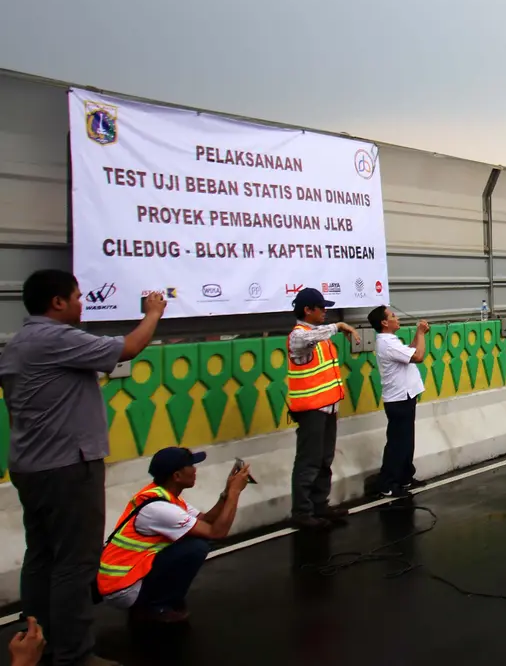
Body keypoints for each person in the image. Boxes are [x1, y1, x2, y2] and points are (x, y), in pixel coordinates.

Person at [0, 270, 165, 666]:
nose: (81, 302)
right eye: (76, 296)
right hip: (68, 467)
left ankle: (40, 641)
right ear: (56, 302)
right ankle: (75, 655)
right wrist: (153, 313)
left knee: (42, 558)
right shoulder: (55, 338)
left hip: (31, 466)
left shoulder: (18, 342)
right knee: (76, 563)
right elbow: (128, 348)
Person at [97, 447, 251, 623]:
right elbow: (217, 532)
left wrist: (226, 493)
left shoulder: (164, 496)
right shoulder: (160, 508)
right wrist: (235, 493)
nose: (195, 470)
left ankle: (155, 600)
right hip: (121, 587)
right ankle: (155, 607)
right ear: (177, 476)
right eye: (191, 466)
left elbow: (206, 519)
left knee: (194, 538)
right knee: (196, 547)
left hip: (127, 577)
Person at [287, 288, 362, 530]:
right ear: (307, 310)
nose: (325, 312)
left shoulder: (318, 335)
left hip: (328, 408)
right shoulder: (298, 336)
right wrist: (340, 326)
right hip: (311, 410)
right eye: (321, 308)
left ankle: (319, 505)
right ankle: (302, 511)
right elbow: (307, 339)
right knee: (308, 461)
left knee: (324, 459)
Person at [367, 305, 430, 498]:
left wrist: (417, 337)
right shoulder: (387, 343)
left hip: (406, 396)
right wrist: (421, 332)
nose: (398, 318)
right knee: (397, 443)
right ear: (385, 322)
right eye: (393, 315)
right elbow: (418, 356)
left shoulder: (391, 341)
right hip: (398, 399)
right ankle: (387, 483)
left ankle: (404, 477)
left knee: (406, 441)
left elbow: (410, 351)